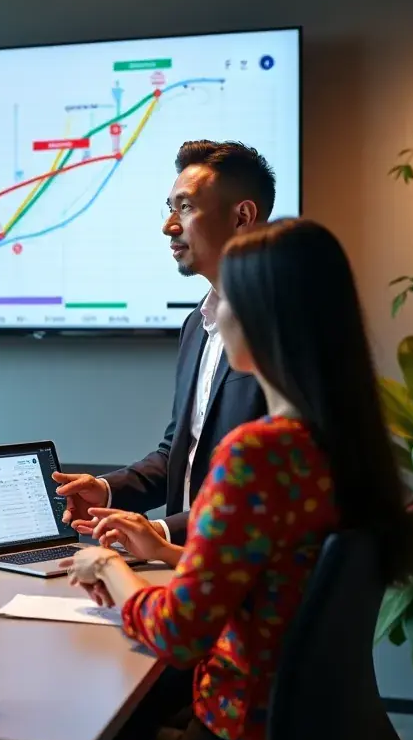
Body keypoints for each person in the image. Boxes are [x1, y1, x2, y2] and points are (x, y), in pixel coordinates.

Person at [0, 219, 413, 740]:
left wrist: (108, 569)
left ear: (264, 318)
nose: (213, 312)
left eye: (226, 298)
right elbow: (283, 571)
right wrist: (168, 553)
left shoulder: (259, 454)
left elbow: (179, 633)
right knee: (117, 708)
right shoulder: (345, 443)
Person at [53, 141, 275, 547]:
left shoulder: (282, 326)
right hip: (182, 560)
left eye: (185, 208)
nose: (169, 226)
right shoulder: (196, 325)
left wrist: (159, 532)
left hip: (239, 567)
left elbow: (266, 487)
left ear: (242, 217)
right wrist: (106, 490)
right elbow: (179, 453)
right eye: (170, 209)